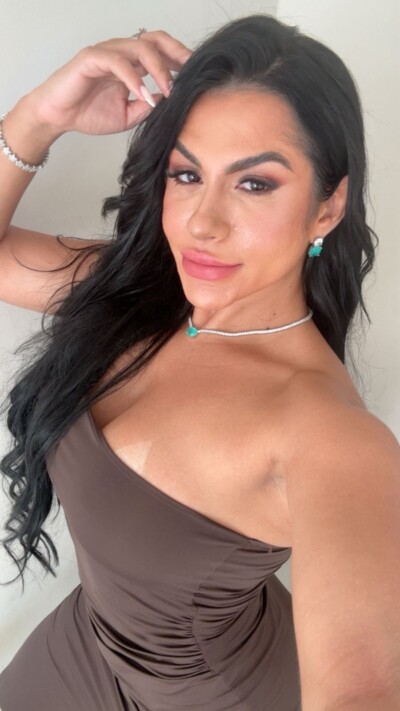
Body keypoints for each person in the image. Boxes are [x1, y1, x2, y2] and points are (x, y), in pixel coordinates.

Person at [0, 13, 399, 711]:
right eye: (187, 174)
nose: (202, 223)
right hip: (80, 650)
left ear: (327, 206)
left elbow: (361, 689)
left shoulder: (334, 439)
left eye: (255, 184)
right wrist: (40, 117)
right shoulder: (137, 296)